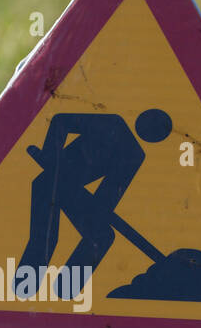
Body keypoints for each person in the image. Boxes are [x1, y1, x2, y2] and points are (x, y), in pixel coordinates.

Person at [17, 109, 171, 299]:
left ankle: (66, 288)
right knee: (44, 201)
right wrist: (51, 154)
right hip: (59, 170)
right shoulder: (107, 126)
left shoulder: (131, 156)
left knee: (100, 232)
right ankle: (26, 282)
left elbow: (104, 202)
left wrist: (96, 211)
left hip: (83, 173)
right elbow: (60, 120)